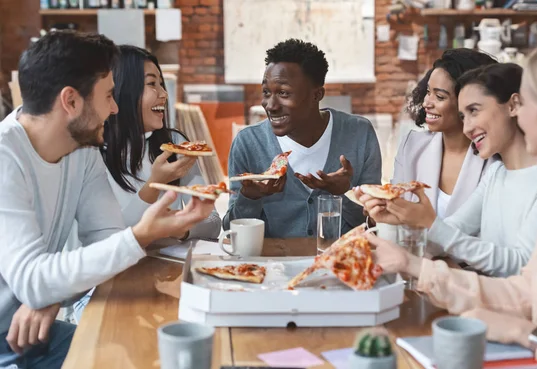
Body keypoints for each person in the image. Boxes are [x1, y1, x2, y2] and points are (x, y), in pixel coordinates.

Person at [365, 35, 537, 368]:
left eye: (527, 101)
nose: (519, 111)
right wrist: (411, 262)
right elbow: (526, 290)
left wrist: (527, 333)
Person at [0, 31, 214, 368]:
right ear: (70, 101)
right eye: (109, 96)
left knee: (146, 354)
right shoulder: (5, 157)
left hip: (36, 332)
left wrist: (49, 296)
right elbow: (33, 280)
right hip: (6, 340)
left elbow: (106, 244)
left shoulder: (82, 151)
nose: (115, 108)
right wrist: (142, 234)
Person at [359, 63, 537, 277]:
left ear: (513, 106)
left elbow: (521, 264)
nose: (467, 128)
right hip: (487, 304)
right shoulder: (496, 174)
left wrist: (430, 223)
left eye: (474, 110)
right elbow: (449, 235)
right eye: (463, 116)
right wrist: (402, 221)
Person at [223, 39, 382, 238]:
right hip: (269, 268)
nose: (270, 105)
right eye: (266, 92)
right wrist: (250, 197)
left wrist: (345, 192)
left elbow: (376, 226)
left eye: (283, 93)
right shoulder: (248, 143)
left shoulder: (359, 134)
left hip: (343, 265)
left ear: (317, 95)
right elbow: (230, 234)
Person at [103, 45, 221, 240]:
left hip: (170, 266)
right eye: (152, 84)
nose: (164, 94)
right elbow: (112, 236)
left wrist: (181, 229)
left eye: (161, 84)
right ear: (125, 91)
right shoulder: (94, 153)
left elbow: (213, 222)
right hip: (123, 269)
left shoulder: (176, 143)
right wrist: (155, 183)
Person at [394, 49, 497, 219]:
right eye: (428, 92)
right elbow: (395, 219)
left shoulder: (494, 160)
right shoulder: (412, 147)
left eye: (440, 97)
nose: (427, 103)